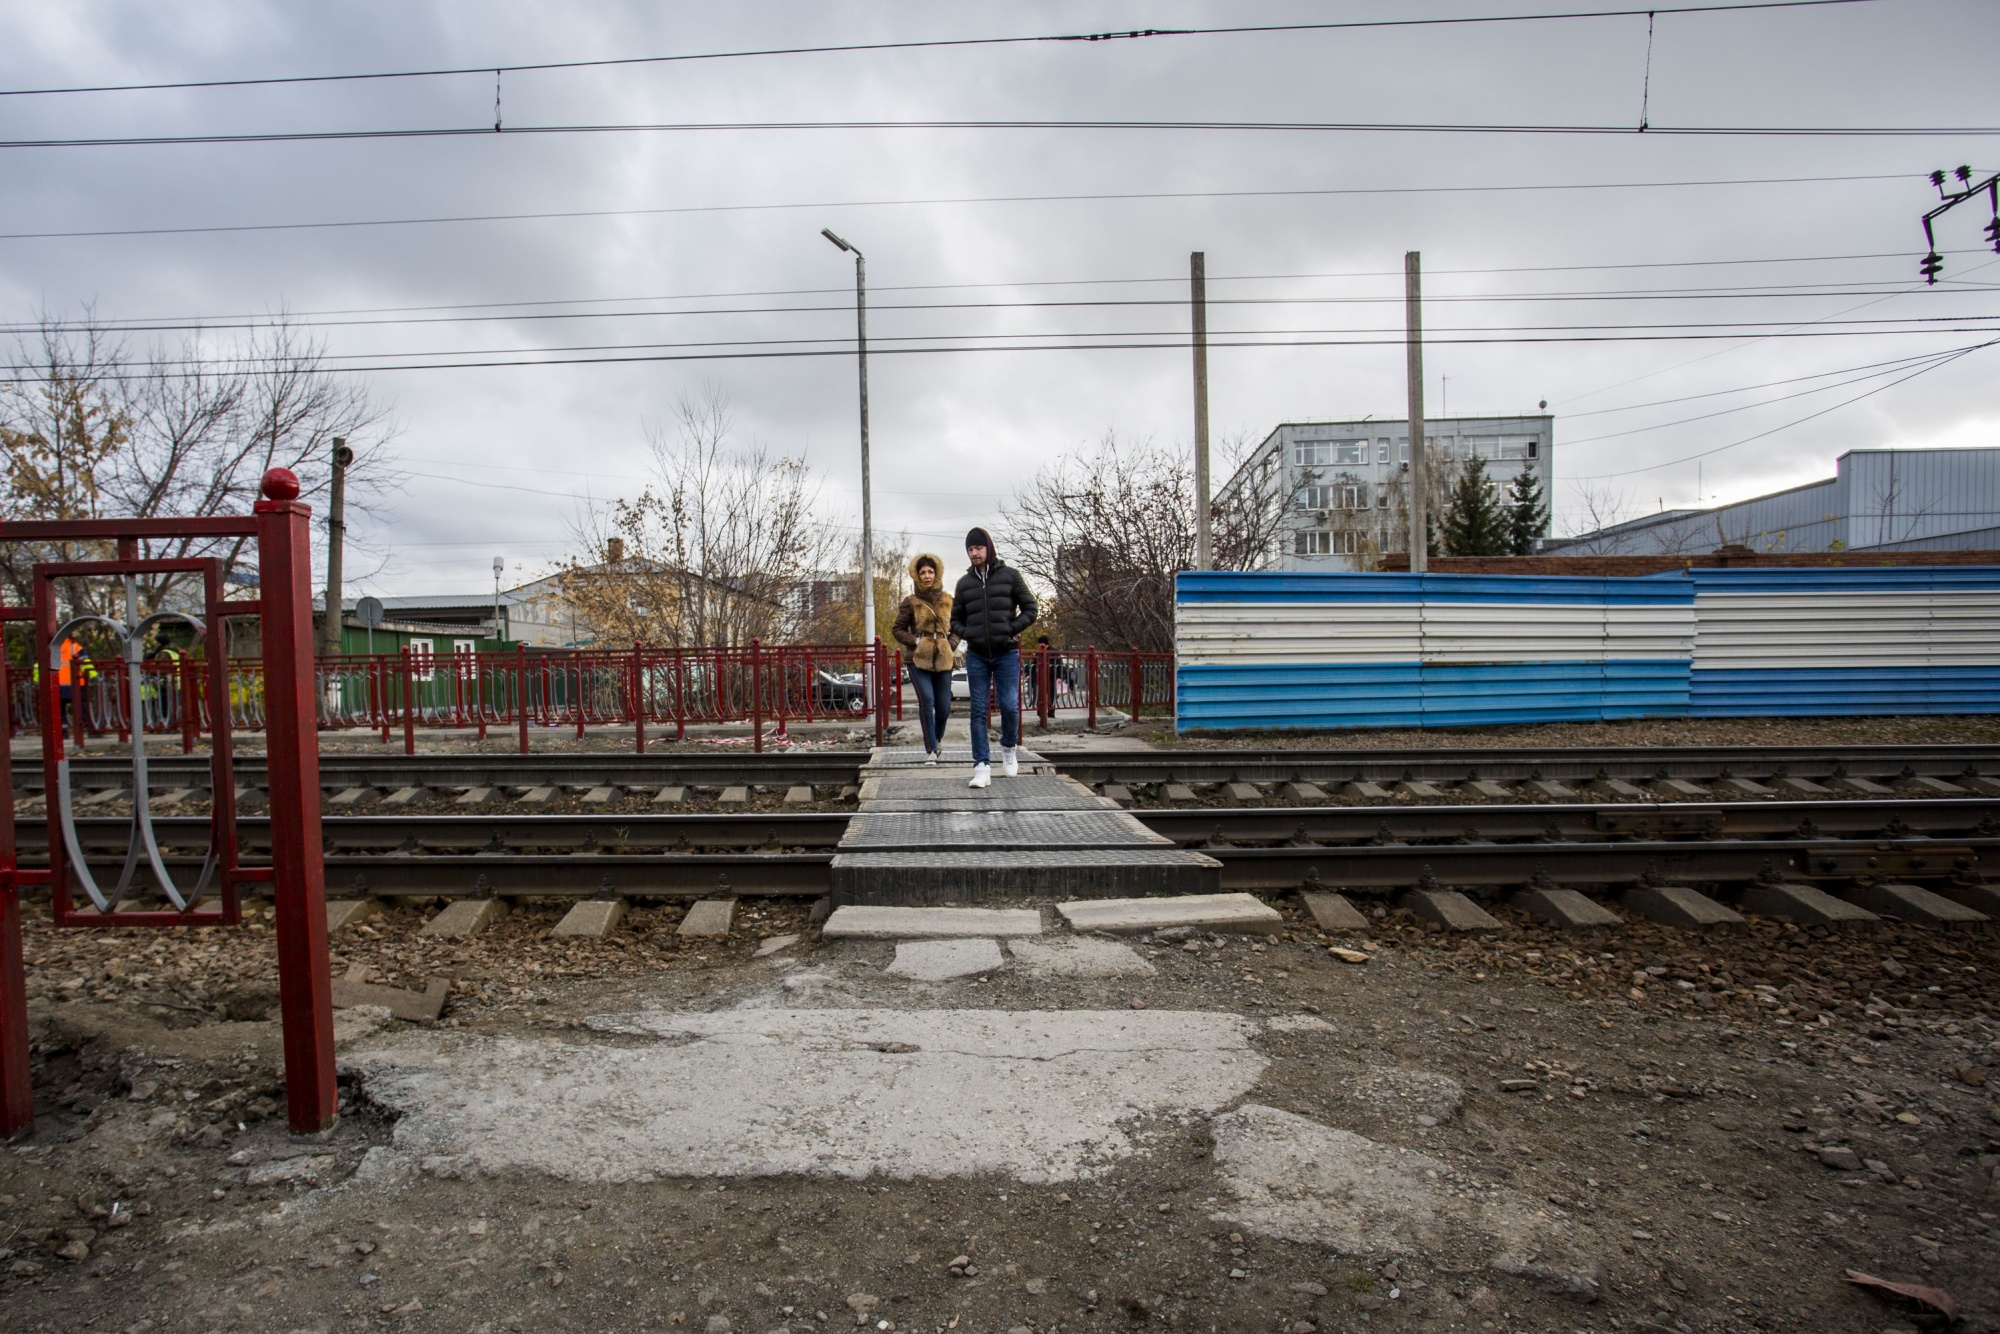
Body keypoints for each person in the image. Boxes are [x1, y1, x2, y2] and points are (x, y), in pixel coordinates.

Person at [949, 526, 1037, 789]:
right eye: (970, 549)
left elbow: (1031, 608)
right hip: (976, 654)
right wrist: (970, 634)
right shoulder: (964, 584)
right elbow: (955, 620)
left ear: (988, 548)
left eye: (978, 548)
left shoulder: (1010, 576)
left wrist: (1010, 628)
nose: (974, 553)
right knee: (977, 710)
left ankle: (1008, 747)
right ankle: (981, 766)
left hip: (1006, 652)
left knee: (1009, 706)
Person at [891, 553, 958, 763]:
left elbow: (958, 628)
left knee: (944, 705)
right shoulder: (910, 602)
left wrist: (951, 644)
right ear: (916, 576)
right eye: (922, 573)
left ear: (937, 573)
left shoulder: (949, 600)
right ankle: (930, 750)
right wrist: (917, 642)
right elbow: (898, 629)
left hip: (944, 659)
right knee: (927, 700)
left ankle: (937, 739)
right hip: (917, 659)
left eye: (930, 572)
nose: (927, 576)